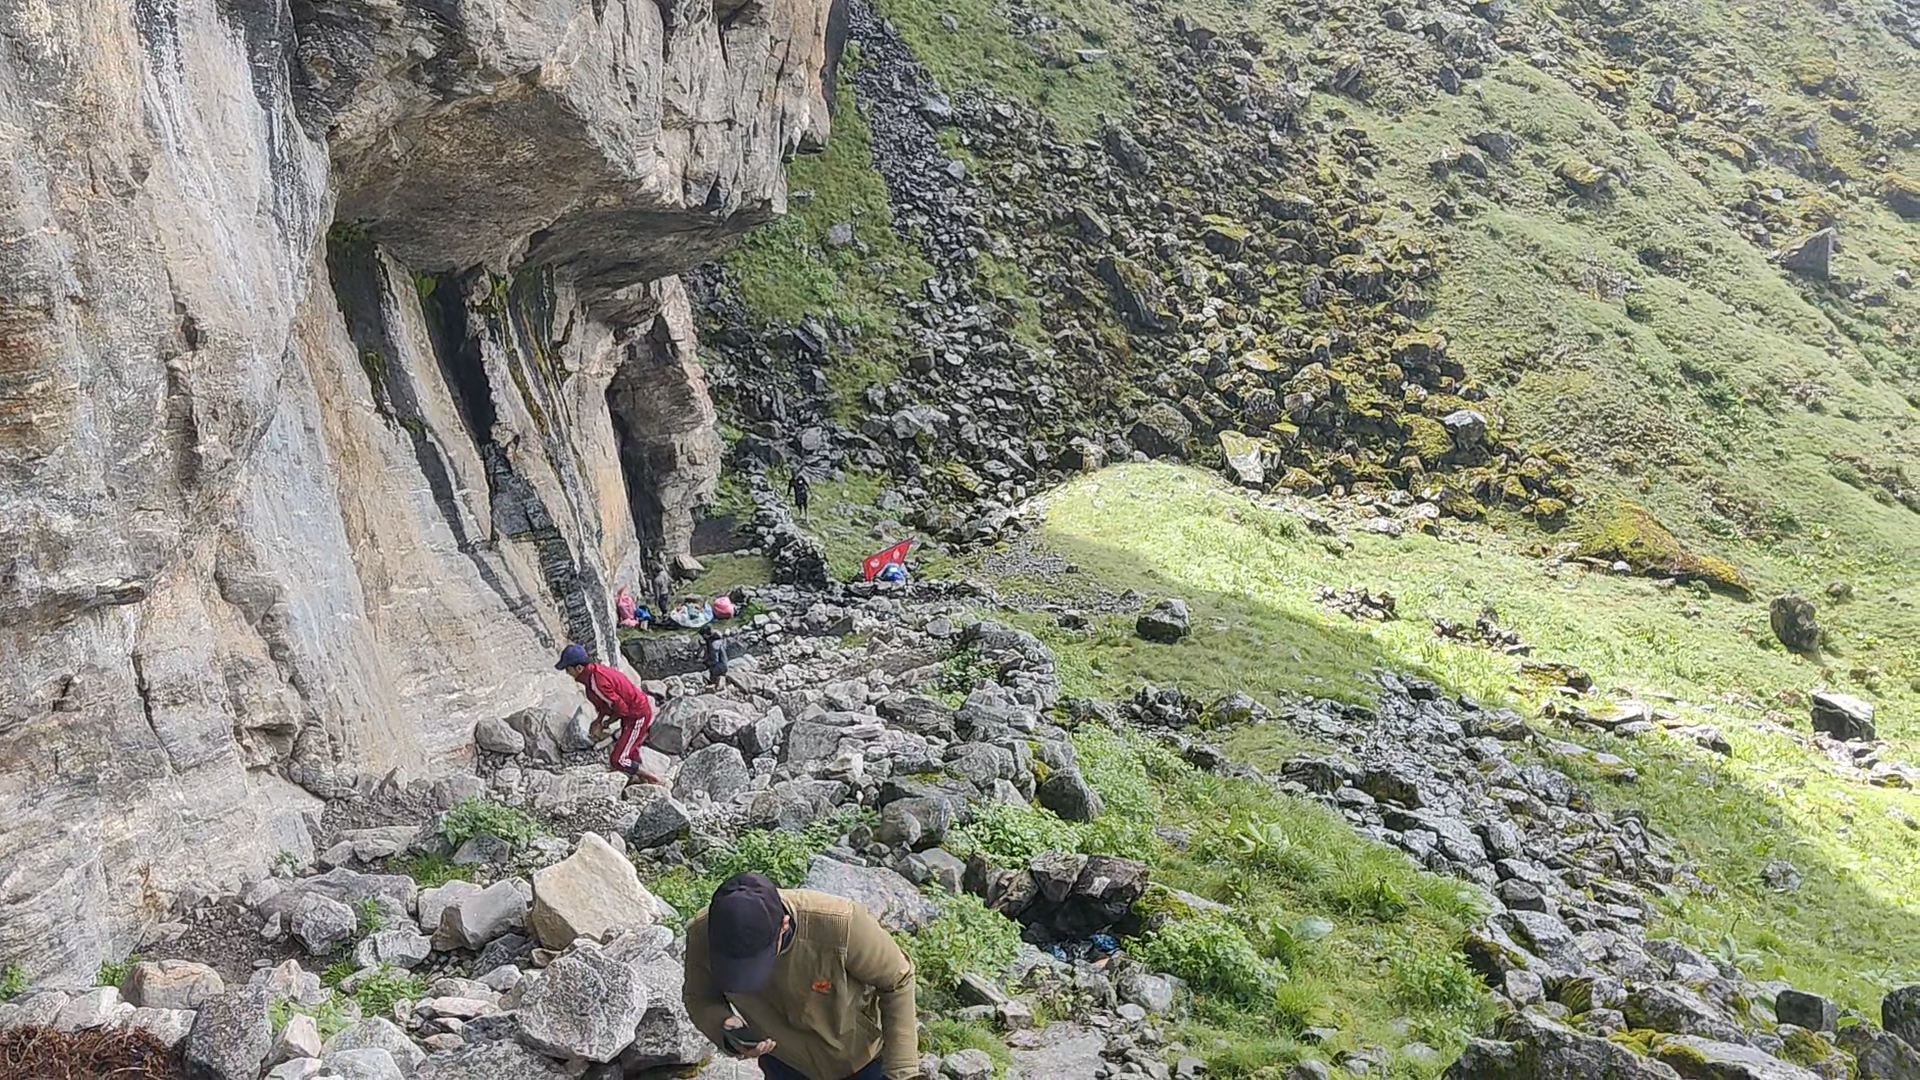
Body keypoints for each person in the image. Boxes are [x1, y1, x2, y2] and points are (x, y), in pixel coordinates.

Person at [682, 873, 919, 1080]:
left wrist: (902, 1071)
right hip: (784, 1063)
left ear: (784, 925)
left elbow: (897, 980)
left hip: (861, 1062)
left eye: (754, 962)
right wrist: (726, 1027)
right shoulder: (702, 933)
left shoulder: (840, 926)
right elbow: (700, 997)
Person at [555, 644, 662, 787]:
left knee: (618, 759)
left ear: (579, 668)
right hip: (631, 715)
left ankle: (651, 777)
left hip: (637, 715)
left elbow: (621, 709)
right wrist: (599, 720)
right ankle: (639, 779)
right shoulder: (593, 676)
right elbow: (606, 706)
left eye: (568, 670)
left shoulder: (598, 683)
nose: (568, 674)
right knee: (629, 750)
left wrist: (604, 724)